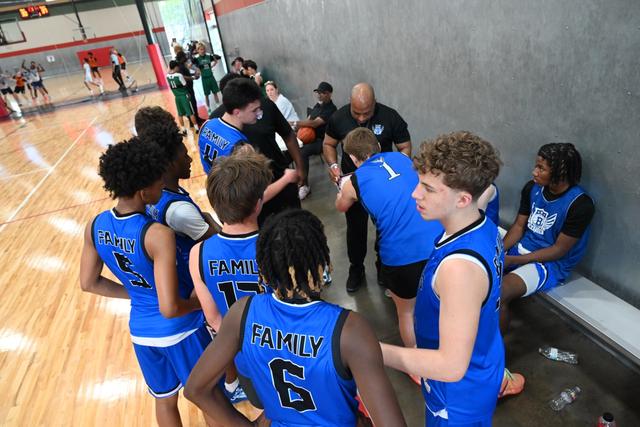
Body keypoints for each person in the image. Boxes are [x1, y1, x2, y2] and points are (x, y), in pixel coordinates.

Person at [185, 209, 407, 427]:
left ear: (263, 268)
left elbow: (196, 389)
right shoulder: (350, 329)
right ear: (322, 264)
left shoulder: (242, 312)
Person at [79, 138, 210, 427]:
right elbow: (169, 308)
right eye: (157, 181)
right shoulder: (157, 234)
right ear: (143, 191)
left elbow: (88, 283)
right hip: (181, 331)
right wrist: (199, 303)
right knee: (209, 398)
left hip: (141, 332)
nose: (162, 185)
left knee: (164, 401)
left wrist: (138, 294)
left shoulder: (95, 225)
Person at [381, 131, 504, 426]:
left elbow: (450, 366)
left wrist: (371, 350)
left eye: (428, 189)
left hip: (456, 397)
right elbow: (488, 191)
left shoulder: (459, 270)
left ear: (462, 199)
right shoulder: (479, 219)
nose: (415, 194)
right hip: (483, 357)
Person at [336, 128, 442, 380]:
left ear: (352, 157)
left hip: (402, 255)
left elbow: (341, 206)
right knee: (441, 301)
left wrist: (341, 188)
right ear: (377, 145)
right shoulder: (402, 158)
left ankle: (417, 366)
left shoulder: (355, 181)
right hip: (440, 242)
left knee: (406, 312)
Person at [498, 143, 594, 396]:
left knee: (500, 293)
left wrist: (512, 260)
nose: (534, 171)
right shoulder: (532, 188)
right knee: (478, 275)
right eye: (536, 165)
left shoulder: (580, 204)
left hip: (549, 264)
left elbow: (559, 250)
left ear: (560, 172)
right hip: (522, 251)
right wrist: (498, 252)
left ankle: (494, 363)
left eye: (541, 167)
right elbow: (519, 227)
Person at [190, 153, 273, 404]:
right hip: (285, 353)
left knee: (266, 409)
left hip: (243, 357)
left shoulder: (198, 254)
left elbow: (214, 318)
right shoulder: (275, 245)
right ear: (258, 203)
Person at [323, 82, 411, 292]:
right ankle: (356, 268)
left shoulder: (390, 117)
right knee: (355, 228)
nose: (361, 118)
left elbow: (405, 147)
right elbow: (328, 143)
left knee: (384, 226)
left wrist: (398, 168)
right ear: (350, 104)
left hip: (382, 186)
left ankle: (383, 266)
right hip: (353, 182)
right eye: (357, 113)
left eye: (367, 113)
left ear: (374, 103)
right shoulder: (338, 117)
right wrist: (333, 165)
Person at [136, 106, 220, 294]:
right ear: (170, 164)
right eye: (184, 156)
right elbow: (219, 243)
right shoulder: (179, 211)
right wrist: (211, 220)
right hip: (195, 284)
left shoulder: (154, 193)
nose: (190, 160)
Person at [211, 74, 305, 226]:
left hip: (280, 183)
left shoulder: (263, 105)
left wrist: (300, 168)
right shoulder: (224, 131)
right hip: (253, 198)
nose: (258, 113)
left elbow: (288, 134)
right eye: (254, 110)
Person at [198, 78, 262, 174]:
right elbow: (251, 183)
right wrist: (285, 178)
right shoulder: (241, 149)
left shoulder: (206, 125)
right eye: (254, 110)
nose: (259, 113)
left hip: (213, 180)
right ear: (237, 112)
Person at [293, 81, 337, 200]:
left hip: (322, 141)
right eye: (318, 92)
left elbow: (314, 123)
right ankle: (295, 178)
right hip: (310, 137)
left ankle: (304, 186)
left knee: (303, 152)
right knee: (292, 146)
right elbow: (309, 120)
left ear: (329, 94)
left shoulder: (331, 109)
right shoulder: (318, 105)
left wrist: (295, 123)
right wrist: (298, 131)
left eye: (322, 93)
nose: (319, 95)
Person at [167, 60, 199, 135]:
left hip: (177, 97)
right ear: (175, 67)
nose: (178, 68)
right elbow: (185, 85)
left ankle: (183, 130)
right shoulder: (179, 75)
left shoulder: (167, 76)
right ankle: (197, 128)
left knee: (180, 114)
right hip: (184, 96)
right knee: (191, 112)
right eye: (177, 67)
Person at [175, 51, 204, 126]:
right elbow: (183, 77)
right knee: (190, 105)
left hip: (190, 88)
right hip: (187, 89)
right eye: (184, 57)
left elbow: (186, 74)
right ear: (181, 58)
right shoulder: (180, 67)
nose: (186, 58)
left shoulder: (182, 65)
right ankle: (192, 122)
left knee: (193, 103)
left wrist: (193, 74)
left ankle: (197, 118)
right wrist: (193, 77)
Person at [193, 42, 221, 112]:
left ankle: (218, 105)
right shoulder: (196, 58)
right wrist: (197, 70)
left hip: (211, 77)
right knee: (206, 95)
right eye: (201, 49)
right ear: (198, 50)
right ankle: (208, 108)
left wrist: (212, 66)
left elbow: (216, 61)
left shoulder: (209, 55)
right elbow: (189, 66)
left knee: (215, 93)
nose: (203, 51)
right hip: (204, 78)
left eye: (203, 49)